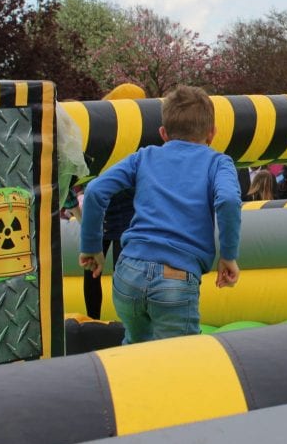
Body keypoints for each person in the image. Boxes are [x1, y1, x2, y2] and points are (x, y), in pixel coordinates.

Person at [79, 85, 242, 343]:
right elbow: (229, 200)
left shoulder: (144, 157)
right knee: (178, 359)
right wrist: (228, 255)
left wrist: (91, 247)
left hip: (128, 272)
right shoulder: (218, 162)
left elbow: (95, 190)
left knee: (134, 346)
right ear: (212, 134)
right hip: (176, 278)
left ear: (163, 133)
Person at [81, 187, 134, 319]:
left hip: (126, 212)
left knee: (122, 274)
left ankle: (127, 325)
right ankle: (92, 320)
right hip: (99, 213)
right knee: (92, 272)